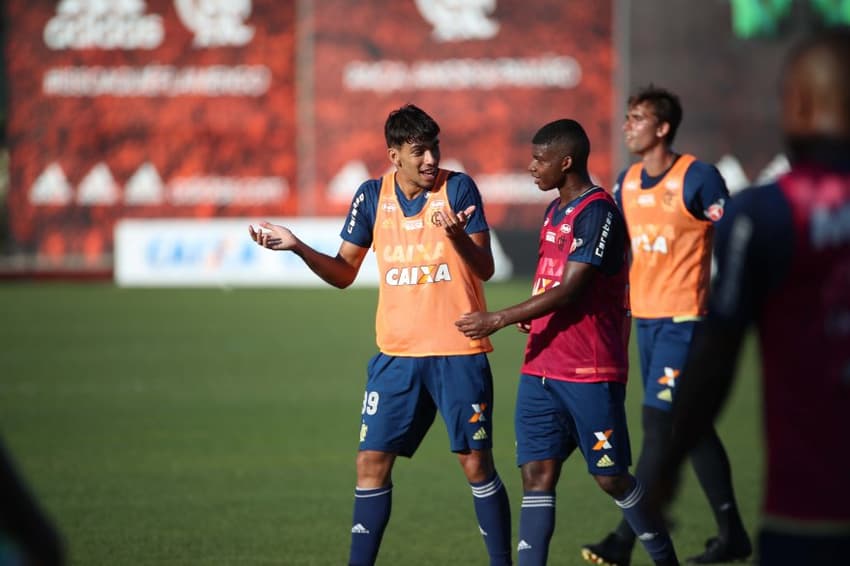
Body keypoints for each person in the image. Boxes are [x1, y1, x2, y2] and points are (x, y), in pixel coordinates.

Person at [249, 104, 512, 566]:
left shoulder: (459, 188)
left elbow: (486, 268)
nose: (430, 160)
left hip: (457, 352)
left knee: (475, 464)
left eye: (434, 148)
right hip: (397, 356)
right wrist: (297, 247)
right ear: (394, 156)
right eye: (419, 152)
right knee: (370, 463)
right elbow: (344, 272)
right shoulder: (371, 196)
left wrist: (456, 238)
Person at [652, 26, 850, 565]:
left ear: (800, 104)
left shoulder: (765, 214)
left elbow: (717, 356)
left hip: (809, 518)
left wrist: (666, 467)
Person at [456, 119, 679, 566]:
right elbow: (551, 283)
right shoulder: (553, 211)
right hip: (540, 367)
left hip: (589, 369)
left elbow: (574, 287)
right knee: (536, 476)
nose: (532, 167)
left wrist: (499, 317)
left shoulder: (598, 211)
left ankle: (664, 560)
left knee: (611, 477)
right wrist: (532, 315)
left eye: (540, 160)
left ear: (567, 161)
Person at [581, 87, 752, 566]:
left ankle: (624, 537)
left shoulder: (697, 177)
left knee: (658, 424)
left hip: (686, 321)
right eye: (627, 117)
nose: (627, 126)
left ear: (662, 128)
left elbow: (734, 229)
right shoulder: (627, 181)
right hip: (647, 323)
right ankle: (733, 533)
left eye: (637, 118)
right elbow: (621, 252)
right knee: (689, 428)